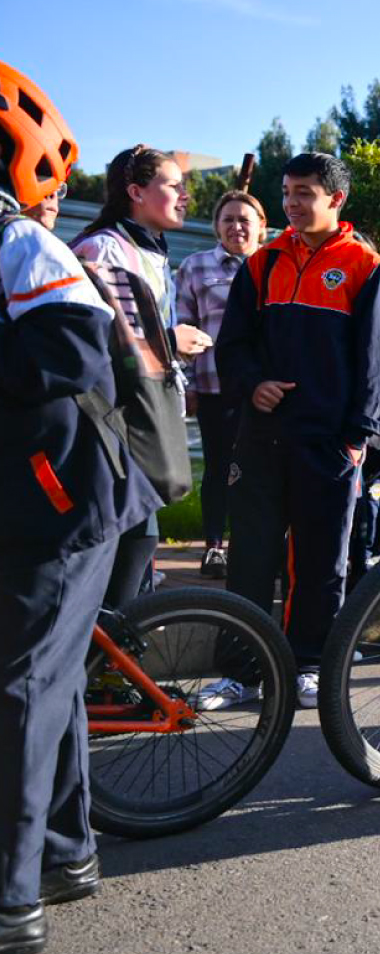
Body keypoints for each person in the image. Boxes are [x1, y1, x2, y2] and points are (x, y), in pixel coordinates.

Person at [0, 61, 159, 952]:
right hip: (21, 497)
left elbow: (71, 358)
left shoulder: (24, 245)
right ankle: (67, 855)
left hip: (62, 503)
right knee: (42, 683)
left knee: (21, 688)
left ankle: (13, 896)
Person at [213, 152, 380, 711]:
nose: (292, 203)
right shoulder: (261, 263)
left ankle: (309, 664)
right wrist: (253, 384)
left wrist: (357, 437)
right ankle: (238, 673)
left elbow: (377, 363)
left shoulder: (368, 267)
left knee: (319, 562)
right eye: (288, 192)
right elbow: (233, 345)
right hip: (262, 436)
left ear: (335, 200)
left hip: (329, 442)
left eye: (305, 193)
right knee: (251, 554)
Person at [72, 145, 204, 608]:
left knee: (138, 539)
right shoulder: (103, 249)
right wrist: (170, 341)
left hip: (135, 414)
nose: (185, 195)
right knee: (130, 538)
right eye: (172, 185)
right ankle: (102, 666)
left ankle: (111, 663)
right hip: (110, 419)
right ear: (135, 192)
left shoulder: (148, 249)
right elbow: (101, 342)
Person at [175, 190, 267, 579]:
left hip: (265, 391)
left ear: (261, 226)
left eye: (245, 219)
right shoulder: (196, 267)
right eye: (228, 219)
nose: (236, 226)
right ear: (216, 226)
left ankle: (258, 546)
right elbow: (182, 328)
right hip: (215, 388)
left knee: (260, 471)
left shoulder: (273, 265)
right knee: (218, 469)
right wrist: (189, 384)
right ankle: (214, 546)